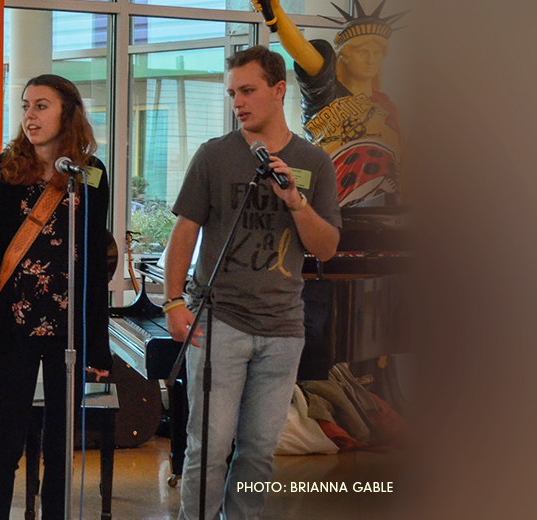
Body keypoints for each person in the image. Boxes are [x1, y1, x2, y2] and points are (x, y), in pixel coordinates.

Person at [164, 47, 341, 519]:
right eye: (231, 93)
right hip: (220, 322)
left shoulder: (314, 162)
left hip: (283, 329)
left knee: (259, 453)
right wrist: (172, 302)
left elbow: (325, 248)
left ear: (278, 90)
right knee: (209, 449)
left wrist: (297, 203)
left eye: (248, 91)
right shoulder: (214, 156)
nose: (238, 102)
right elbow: (184, 233)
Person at [0, 73, 112, 520]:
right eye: (26, 106)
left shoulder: (91, 173)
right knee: (8, 437)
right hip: (14, 324)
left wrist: (97, 340)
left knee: (59, 442)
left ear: (67, 113)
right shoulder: (1, 170)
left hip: (66, 329)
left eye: (41, 106)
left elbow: (92, 262)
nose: (30, 116)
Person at [252, 0, 403, 206]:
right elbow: (301, 50)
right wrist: (277, 11)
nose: (371, 60)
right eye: (363, 52)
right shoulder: (325, 88)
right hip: (330, 195)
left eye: (377, 53)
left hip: (380, 199)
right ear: (346, 56)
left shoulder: (387, 106)